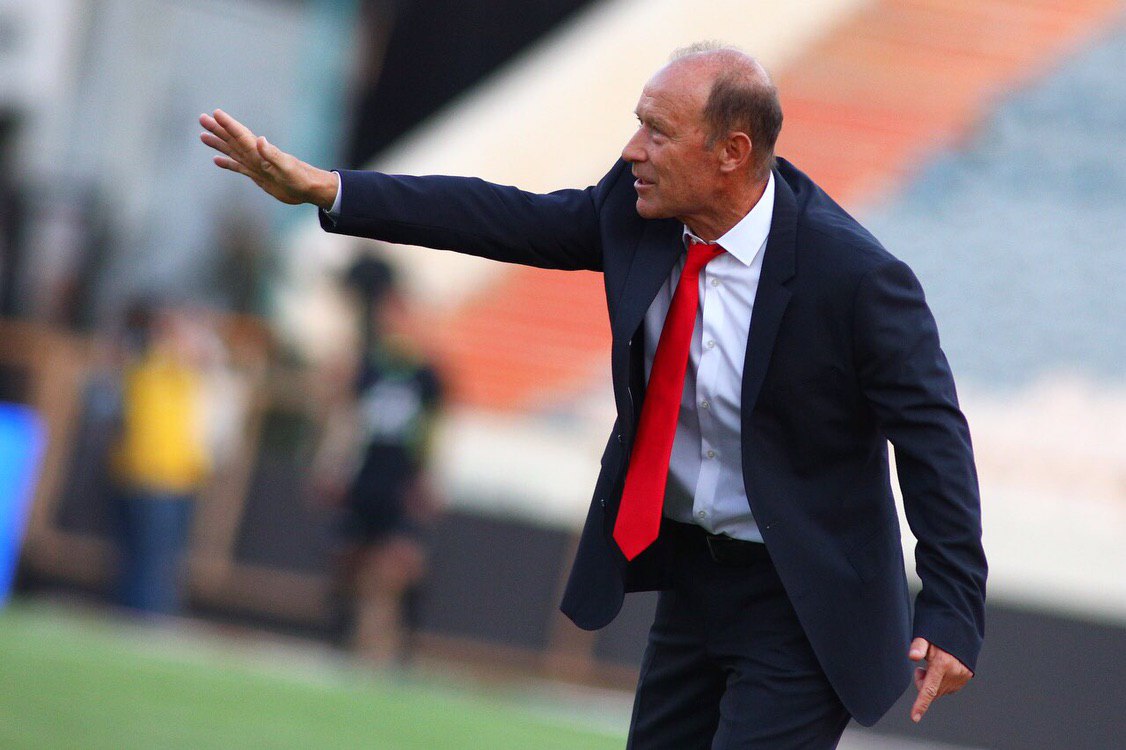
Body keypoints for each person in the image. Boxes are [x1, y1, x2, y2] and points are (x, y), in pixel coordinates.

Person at [201, 42, 986, 748]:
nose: (633, 149)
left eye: (658, 132)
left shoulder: (855, 278)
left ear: (731, 152)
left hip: (805, 597)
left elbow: (933, 439)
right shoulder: (638, 212)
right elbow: (504, 218)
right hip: (693, 579)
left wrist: (952, 608)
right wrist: (332, 190)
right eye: (638, 124)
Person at [313, 256, 444, 665]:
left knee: (399, 564)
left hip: (399, 481)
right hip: (365, 477)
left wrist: (429, 476)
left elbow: (436, 428)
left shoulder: (426, 374)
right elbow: (346, 419)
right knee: (349, 559)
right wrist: (331, 465)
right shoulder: (364, 366)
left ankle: (396, 644)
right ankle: (343, 635)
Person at [111, 302, 213, 615]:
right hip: (151, 476)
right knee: (146, 560)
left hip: (177, 477)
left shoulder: (186, 374)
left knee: (160, 560)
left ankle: (146, 614)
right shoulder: (152, 368)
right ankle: (141, 617)